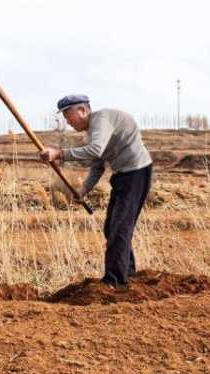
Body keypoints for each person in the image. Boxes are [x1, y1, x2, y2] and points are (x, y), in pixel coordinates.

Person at [40, 95, 153, 288]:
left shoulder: (101, 120)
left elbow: (95, 150)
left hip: (136, 174)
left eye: (68, 114)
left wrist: (60, 154)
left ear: (82, 110)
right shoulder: (93, 132)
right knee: (113, 228)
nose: (67, 120)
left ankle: (115, 282)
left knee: (120, 228)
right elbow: (98, 166)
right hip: (123, 176)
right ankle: (128, 273)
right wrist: (83, 189)